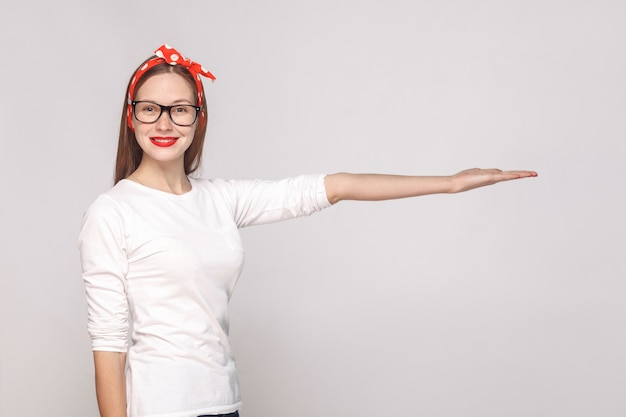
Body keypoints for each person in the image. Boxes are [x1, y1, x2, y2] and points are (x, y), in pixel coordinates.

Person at [78, 44, 537, 417]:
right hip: (159, 407)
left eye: (179, 109)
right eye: (150, 109)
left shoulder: (220, 199)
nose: (163, 122)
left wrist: (451, 184)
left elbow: (332, 187)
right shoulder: (113, 212)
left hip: (222, 402)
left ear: (199, 118)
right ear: (130, 117)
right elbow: (110, 346)